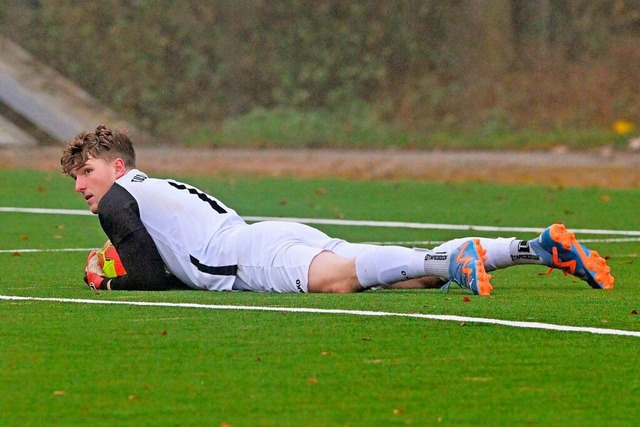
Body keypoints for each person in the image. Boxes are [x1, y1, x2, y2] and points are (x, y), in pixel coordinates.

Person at [60, 125, 614, 295]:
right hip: (267, 235)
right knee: (395, 276)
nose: (83, 186)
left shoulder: (119, 200)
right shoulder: (160, 188)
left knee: (340, 280)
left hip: (245, 257)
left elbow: (152, 276)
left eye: (87, 171)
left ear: (115, 166)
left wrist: (105, 282)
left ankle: (454, 261)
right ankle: (533, 249)